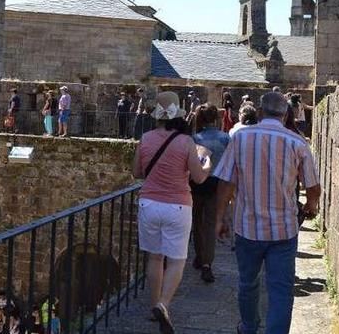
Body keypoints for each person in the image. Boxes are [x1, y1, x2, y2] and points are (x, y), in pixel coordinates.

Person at [214, 92, 321, 334]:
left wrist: (220, 218)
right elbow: (313, 186)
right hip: (283, 229)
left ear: (260, 112)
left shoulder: (240, 138)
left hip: (247, 228)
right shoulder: (297, 142)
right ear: (285, 115)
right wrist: (311, 206)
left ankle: (249, 327)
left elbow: (225, 183)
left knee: (248, 282)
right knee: (281, 290)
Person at [132, 91, 210, 334]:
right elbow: (198, 177)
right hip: (178, 205)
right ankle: (164, 304)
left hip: (149, 204)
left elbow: (137, 172)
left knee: (155, 258)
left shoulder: (145, 138)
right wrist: (207, 162)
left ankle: (154, 305)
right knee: (176, 260)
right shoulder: (186, 142)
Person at [190, 104, 231, 283]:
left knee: (197, 222)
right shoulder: (225, 138)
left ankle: (200, 256)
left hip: (197, 182)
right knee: (210, 224)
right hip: (217, 184)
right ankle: (207, 263)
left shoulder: (194, 138)